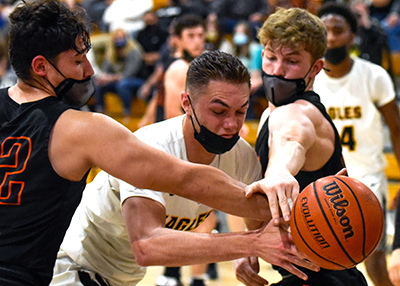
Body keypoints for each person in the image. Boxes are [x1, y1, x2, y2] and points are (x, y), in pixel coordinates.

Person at [0, 1, 319, 285]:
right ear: (41, 67)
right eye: (78, 61)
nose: (90, 70)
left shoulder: (237, 153)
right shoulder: (81, 128)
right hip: (67, 272)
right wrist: (309, 209)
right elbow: (186, 181)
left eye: (241, 111)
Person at [49, 50, 315, 286]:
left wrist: (321, 205)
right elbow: (147, 245)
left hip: (120, 278)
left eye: (240, 111)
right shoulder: (151, 146)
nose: (232, 125)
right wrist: (249, 243)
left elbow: (255, 215)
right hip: (70, 266)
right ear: (186, 103)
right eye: (219, 111)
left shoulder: (240, 155)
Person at [236, 7, 369, 286]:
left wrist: (280, 172)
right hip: (308, 275)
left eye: (292, 61)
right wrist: (246, 246)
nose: (278, 71)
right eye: (271, 58)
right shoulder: (268, 114)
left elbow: (293, 140)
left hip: (327, 277)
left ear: (316, 68)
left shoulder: (300, 113)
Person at [314, 2, 400, 286]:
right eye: (325, 31)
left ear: (352, 36)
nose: (331, 37)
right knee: (322, 263)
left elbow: (397, 131)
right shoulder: (310, 81)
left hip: (368, 179)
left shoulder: (374, 75)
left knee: (374, 260)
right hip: (325, 183)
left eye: (338, 31)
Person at [92, 28, 144, 122]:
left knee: (123, 84)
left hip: (137, 80)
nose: (119, 40)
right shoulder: (111, 53)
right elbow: (105, 71)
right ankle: (100, 111)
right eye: (116, 37)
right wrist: (103, 78)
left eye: (121, 37)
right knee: (98, 83)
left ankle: (127, 112)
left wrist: (110, 78)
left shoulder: (133, 51)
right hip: (116, 81)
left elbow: (129, 73)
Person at [163, 13, 206, 120]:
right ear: (178, 40)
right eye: (190, 36)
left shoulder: (190, 64)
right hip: (175, 133)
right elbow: (172, 114)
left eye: (200, 36)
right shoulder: (179, 68)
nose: (197, 41)